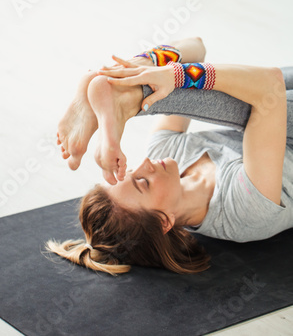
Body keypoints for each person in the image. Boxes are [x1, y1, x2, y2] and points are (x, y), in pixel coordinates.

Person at [46, 37, 293, 276]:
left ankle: (127, 91)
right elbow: (270, 87)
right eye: (142, 182)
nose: (145, 164)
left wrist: (147, 64)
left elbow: (195, 47)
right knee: (227, 97)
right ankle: (129, 100)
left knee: (173, 85)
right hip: (278, 95)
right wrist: (175, 77)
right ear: (164, 221)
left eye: (130, 170)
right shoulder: (243, 211)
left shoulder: (164, 156)